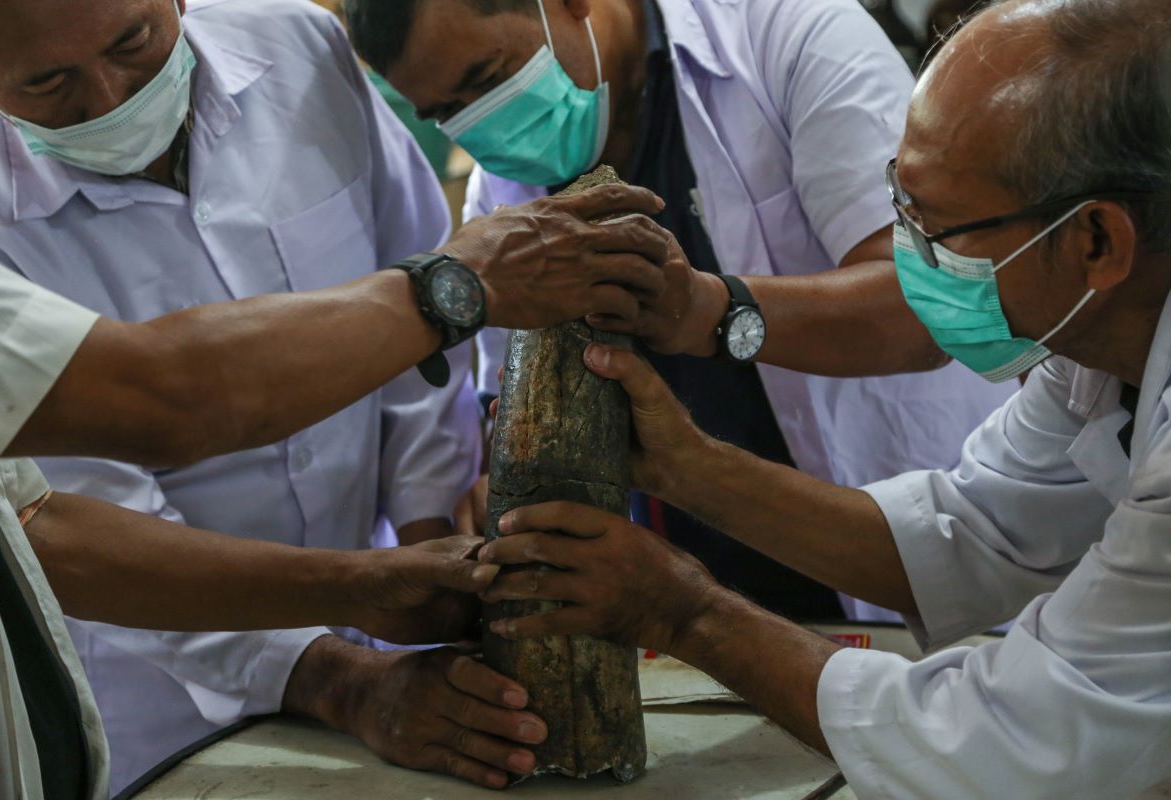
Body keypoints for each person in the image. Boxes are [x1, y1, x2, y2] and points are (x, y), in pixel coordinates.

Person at [476, 0, 1171, 796]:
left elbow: (1006, 740)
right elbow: (967, 534)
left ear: (1096, 241)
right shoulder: (1090, 360)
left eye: (937, 228)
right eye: (899, 204)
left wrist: (683, 612)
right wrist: (682, 465)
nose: (909, 251)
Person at [0, 0, 670, 786]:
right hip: (161, 710)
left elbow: (418, 305)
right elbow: (89, 511)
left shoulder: (298, 48)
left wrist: (432, 525)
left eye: (133, 41)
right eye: (49, 82)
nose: (110, 98)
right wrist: (337, 676)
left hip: (394, 637)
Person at [346, 0, 1018, 620]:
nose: (483, 123)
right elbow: (506, 408)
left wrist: (711, 312)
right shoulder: (503, 197)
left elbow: (930, 312)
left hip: (908, 551)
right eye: (446, 113)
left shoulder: (789, 38)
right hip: (694, 608)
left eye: (488, 79)